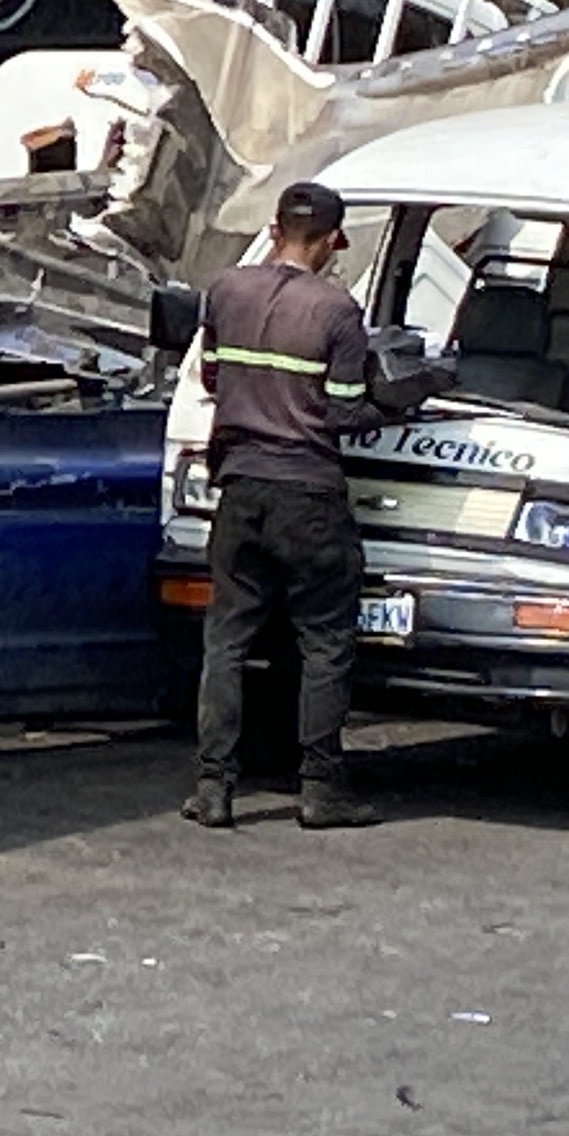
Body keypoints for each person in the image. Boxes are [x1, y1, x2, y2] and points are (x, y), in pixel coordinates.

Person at [188, 180, 386, 831]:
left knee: (226, 641)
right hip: (308, 496)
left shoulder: (226, 291)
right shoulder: (336, 312)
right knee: (325, 643)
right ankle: (322, 791)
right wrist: (402, 397)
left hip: (240, 490)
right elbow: (346, 409)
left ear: (274, 229)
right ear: (333, 241)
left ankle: (214, 788)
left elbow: (213, 376)